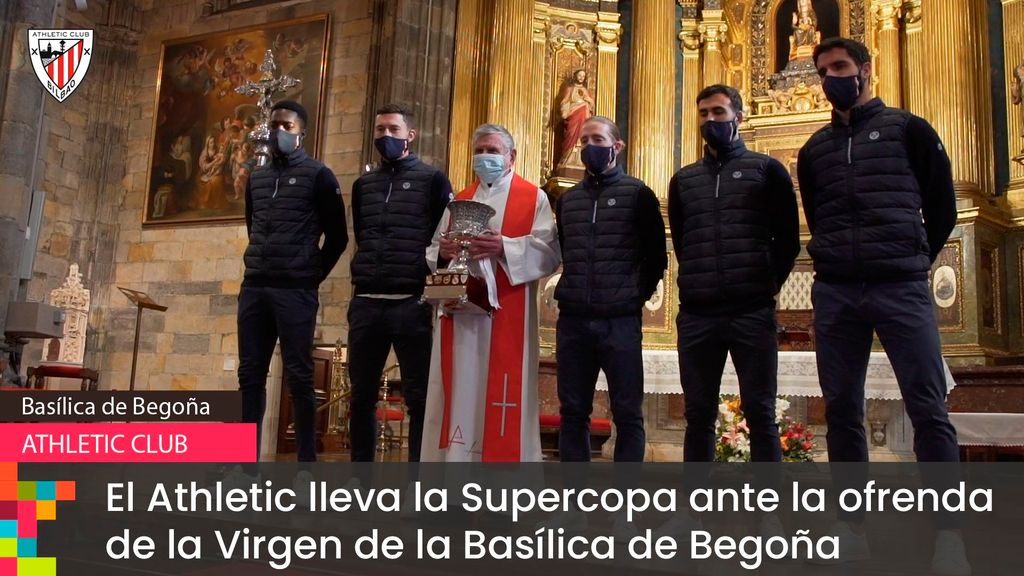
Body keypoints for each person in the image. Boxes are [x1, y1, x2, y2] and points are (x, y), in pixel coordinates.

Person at [798, 37, 968, 574]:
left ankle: (949, 536)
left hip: (900, 286)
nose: (831, 77)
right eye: (823, 70)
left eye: (840, 67)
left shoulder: (909, 129)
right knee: (842, 410)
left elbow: (941, 205)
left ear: (865, 71)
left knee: (928, 406)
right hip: (838, 291)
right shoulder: (814, 150)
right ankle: (853, 529)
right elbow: (818, 214)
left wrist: (912, 256)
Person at [668, 84, 800, 464]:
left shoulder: (766, 170)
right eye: (704, 113)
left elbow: (787, 240)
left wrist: (763, 285)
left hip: (751, 312)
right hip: (697, 313)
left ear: (738, 118)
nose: (710, 120)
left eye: (719, 112)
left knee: (761, 414)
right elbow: (683, 239)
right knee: (698, 416)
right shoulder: (684, 180)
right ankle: (693, 513)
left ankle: (769, 518)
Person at [421, 123, 561, 462]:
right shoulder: (461, 199)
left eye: (493, 151)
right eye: (480, 151)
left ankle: (502, 490)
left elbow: (550, 252)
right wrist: (446, 252)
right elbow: (434, 249)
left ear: (511, 157)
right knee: (456, 388)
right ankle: (451, 483)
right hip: (459, 316)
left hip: (505, 316)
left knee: (502, 395)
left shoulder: (533, 198)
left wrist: (504, 247)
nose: (485, 157)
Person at [237, 100, 348, 463]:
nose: (278, 132)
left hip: (295, 289)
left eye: (286, 126)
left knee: (300, 376)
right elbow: (253, 226)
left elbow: (338, 238)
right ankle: (245, 463)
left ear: (301, 132)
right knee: (250, 374)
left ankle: (305, 464)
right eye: (274, 125)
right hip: (255, 286)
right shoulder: (257, 177)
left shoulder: (319, 176)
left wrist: (309, 274)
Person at [553, 116, 666, 462]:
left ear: (617, 146)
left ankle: (624, 508)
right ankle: (575, 507)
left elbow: (656, 257)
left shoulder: (638, 194)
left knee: (628, 413)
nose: (589, 147)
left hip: (619, 321)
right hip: (573, 320)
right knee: (573, 413)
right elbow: (565, 250)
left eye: (598, 140)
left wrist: (631, 296)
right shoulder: (568, 201)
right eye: (584, 140)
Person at [348, 103, 453, 463]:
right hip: (366, 302)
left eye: (393, 130)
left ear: (410, 135)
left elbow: (444, 239)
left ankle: (417, 485)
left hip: (411, 302)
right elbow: (362, 233)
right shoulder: (364, 185)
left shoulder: (432, 179)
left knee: (418, 397)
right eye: (380, 130)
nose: (386, 137)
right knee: (361, 396)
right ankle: (360, 480)